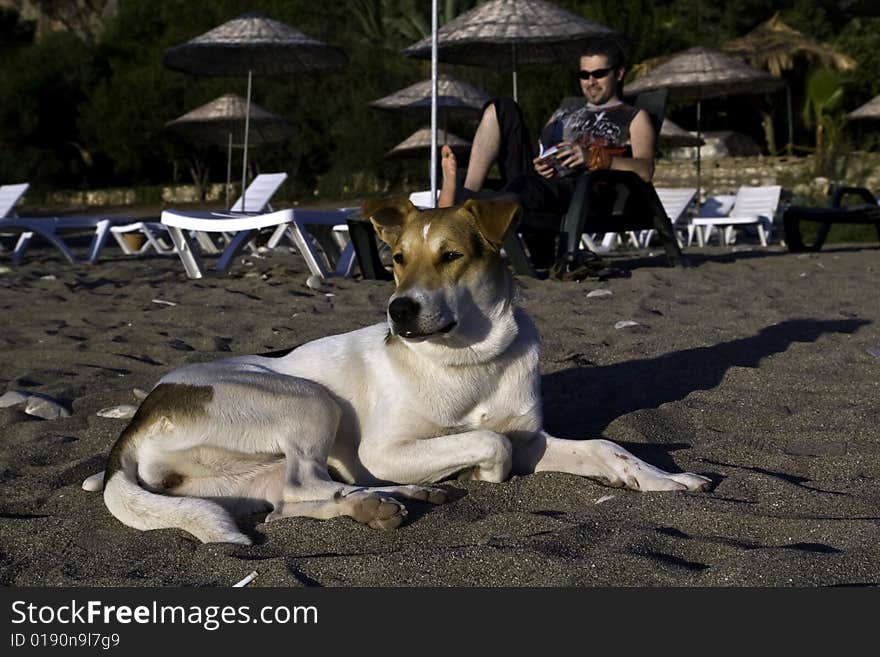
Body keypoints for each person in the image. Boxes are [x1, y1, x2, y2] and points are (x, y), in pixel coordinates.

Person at [438, 35, 656, 270]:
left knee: (527, 186)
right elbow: (543, 149)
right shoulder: (565, 112)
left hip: (583, 191)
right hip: (543, 184)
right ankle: (468, 192)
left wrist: (592, 157)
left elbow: (645, 169)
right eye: (584, 75)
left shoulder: (633, 116)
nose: (590, 81)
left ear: (619, 74)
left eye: (599, 74)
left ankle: (464, 202)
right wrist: (542, 161)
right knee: (502, 108)